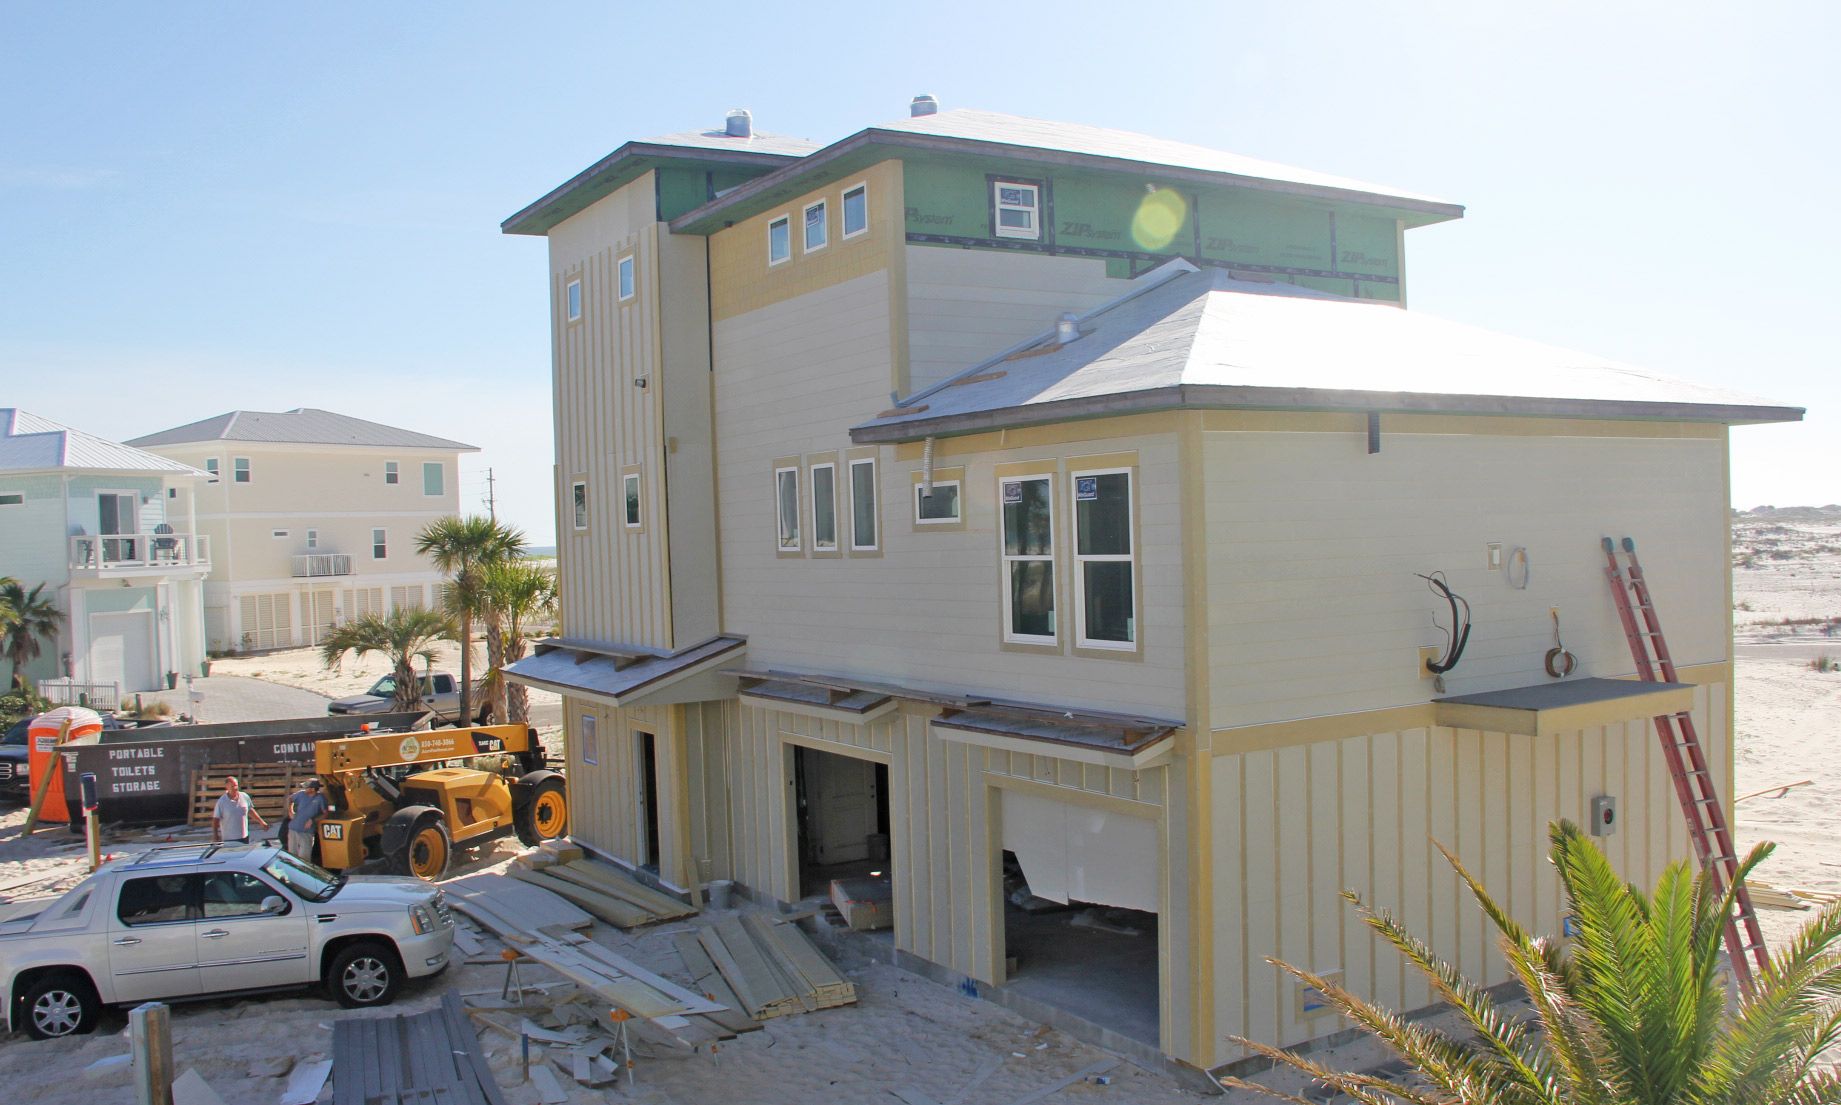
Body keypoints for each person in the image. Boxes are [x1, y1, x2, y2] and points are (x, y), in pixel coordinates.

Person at [211, 776, 268, 844]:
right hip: (229, 839)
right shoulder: (222, 802)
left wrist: (261, 822)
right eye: (232, 786)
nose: (235, 788)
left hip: (244, 836)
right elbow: (215, 820)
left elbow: (250, 810)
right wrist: (215, 835)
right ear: (227, 787)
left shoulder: (244, 796)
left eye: (236, 786)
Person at [285, 778, 328, 861]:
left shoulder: (320, 798)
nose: (304, 789)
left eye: (306, 787)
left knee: (304, 858)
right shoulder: (301, 794)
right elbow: (289, 799)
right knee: (292, 857)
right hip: (293, 829)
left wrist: (313, 820)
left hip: (307, 832)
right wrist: (290, 811)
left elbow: (325, 814)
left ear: (312, 789)